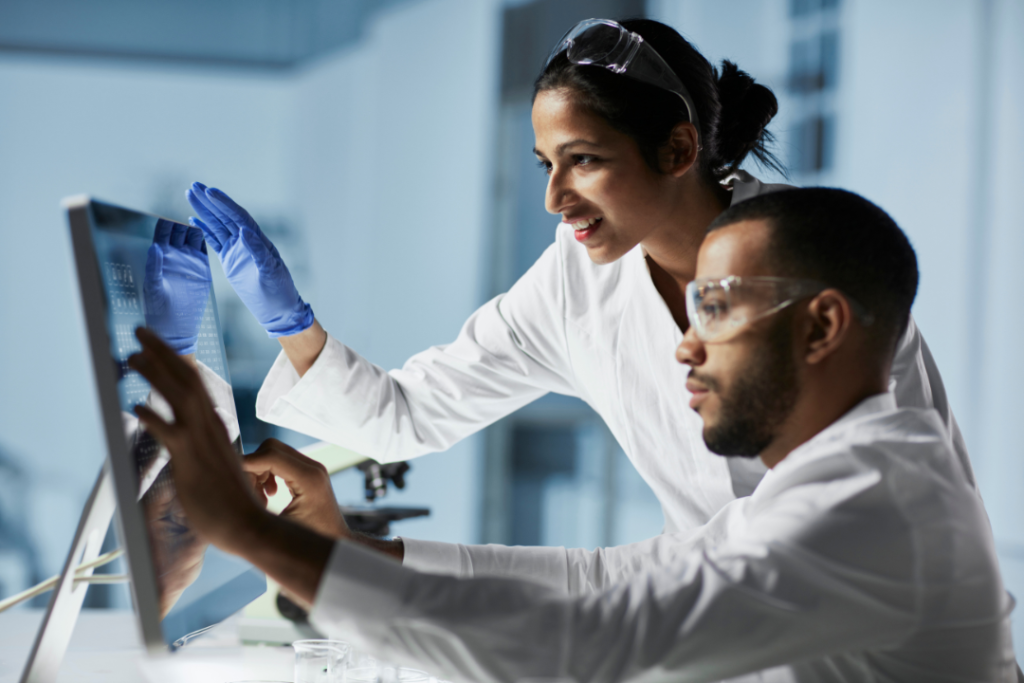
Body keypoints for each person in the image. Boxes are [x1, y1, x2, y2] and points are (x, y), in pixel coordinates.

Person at [128, 187, 1014, 682]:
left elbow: (603, 638)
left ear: (821, 328)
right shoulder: (839, 470)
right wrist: (341, 550)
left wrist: (252, 536)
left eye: (716, 308)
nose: (685, 344)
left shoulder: (869, 504)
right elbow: (614, 580)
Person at [185, 18, 974, 549]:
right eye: (546, 165)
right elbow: (405, 415)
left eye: (584, 161)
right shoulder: (575, 284)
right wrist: (289, 322)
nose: (555, 199)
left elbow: (851, 532)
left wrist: (366, 570)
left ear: (676, 149)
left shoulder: (813, 261)